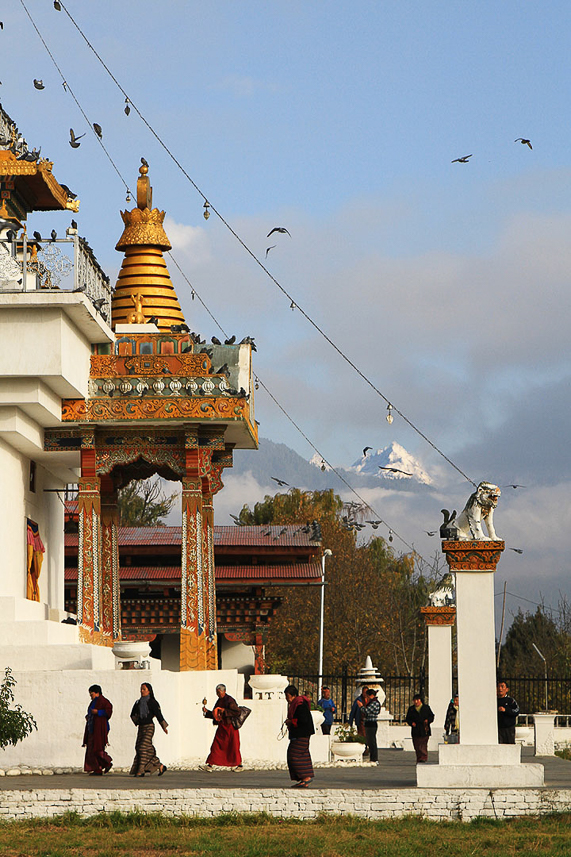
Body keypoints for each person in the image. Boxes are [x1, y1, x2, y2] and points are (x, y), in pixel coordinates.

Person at [201, 684, 243, 772]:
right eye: (217, 692)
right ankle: (210, 765)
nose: (218, 694)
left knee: (234, 745)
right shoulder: (220, 700)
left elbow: (237, 712)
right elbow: (215, 714)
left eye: (219, 692)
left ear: (224, 691)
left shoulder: (230, 700)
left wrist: (225, 711)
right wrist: (207, 712)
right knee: (216, 745)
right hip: (222, 726)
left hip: (230, 727)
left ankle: (239, 765)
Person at [130, 682, 168, 777]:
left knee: (143, 747)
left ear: (149, 691)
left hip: (149, 727)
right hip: (141, 727)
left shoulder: (152, 702)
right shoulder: (138, 702)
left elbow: (158, 715)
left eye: (144, 689)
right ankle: (159, 765)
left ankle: (141, 770)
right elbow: (132, 714)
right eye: (141, 689)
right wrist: (137, 721)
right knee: (140, 747)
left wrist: (164, 727)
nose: (142, 691)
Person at [284, 684, 315, 788]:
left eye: (287, 696)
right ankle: (304, 779)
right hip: (301, 734)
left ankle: (306, 777)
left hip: (302, 734)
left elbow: (303, 720)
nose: (286, 699)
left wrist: (291, 722)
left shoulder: (300, 704)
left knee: (294, 755)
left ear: (293, 696)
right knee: (303, 755)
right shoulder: (296, 704)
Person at [82, 684, 113, 776]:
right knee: (91, 749)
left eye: (92, 694)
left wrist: (98, 712)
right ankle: (97, 769)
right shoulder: (93, 702)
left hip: (100, 728)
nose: (91, 697)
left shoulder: (104, 701)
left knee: (98, 748)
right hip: (92, 728)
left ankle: (107, 762)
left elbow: (109, 711)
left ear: (97, 693)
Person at [405, 693, 434, 763]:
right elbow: (408, 718)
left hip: (424, 729)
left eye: (417, 700)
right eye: (414, 700)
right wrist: (411, 723)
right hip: (416, 729)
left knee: (423, 744)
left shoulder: (426, 708)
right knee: (417, 745)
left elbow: (431, 716)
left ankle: (423, 757)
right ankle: (419, 757)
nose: (416, 702)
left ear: (420, 700)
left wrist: (428, 720)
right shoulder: (411, 709)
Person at [361, 688, 381, 763]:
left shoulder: (374, 703)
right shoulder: (372, 702)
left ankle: (374, 758)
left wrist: (361, 707)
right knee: (370, 741)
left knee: (372, 741)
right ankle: (372, 758)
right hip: (368, 723)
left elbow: (367, 711)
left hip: (371, 723)